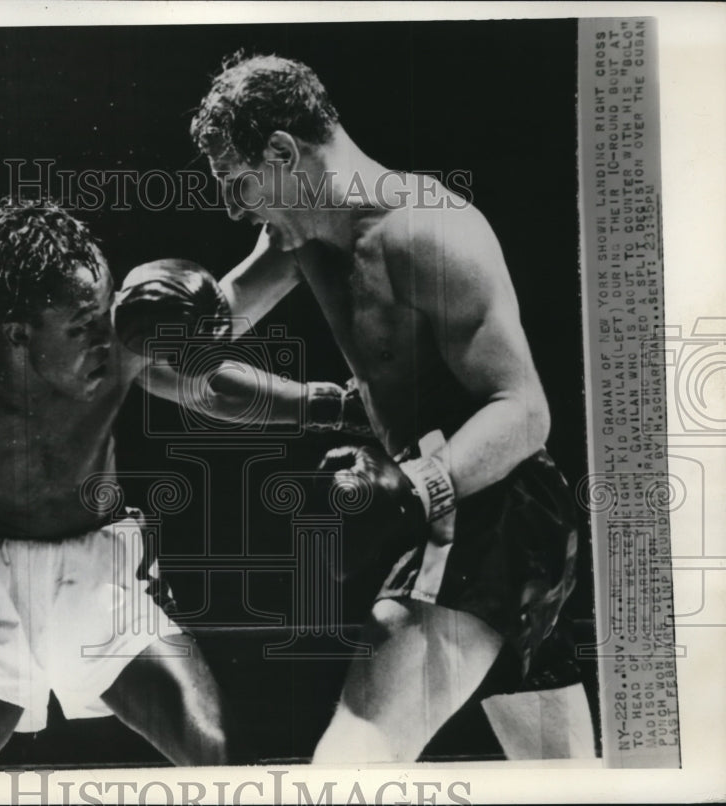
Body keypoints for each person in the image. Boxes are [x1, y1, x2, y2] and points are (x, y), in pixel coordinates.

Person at [0, 198, 368, 770]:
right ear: (18, 333)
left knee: (222, 761)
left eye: (105, 312)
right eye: (81, 327)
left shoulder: (115, 332)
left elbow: (202, 379)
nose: (109, 339)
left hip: (106, 574)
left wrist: (338, 403)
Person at [190, 53, 594, 762]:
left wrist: (416, 488)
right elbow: (200, 347)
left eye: (238, 183)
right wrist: (147, 325)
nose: (233, 207)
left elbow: (525, 410)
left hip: (492, 506)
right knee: (564, 778)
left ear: (283, 152)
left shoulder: (430, 231)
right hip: (474, 515)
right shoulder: (299, 228)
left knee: (353, 758)